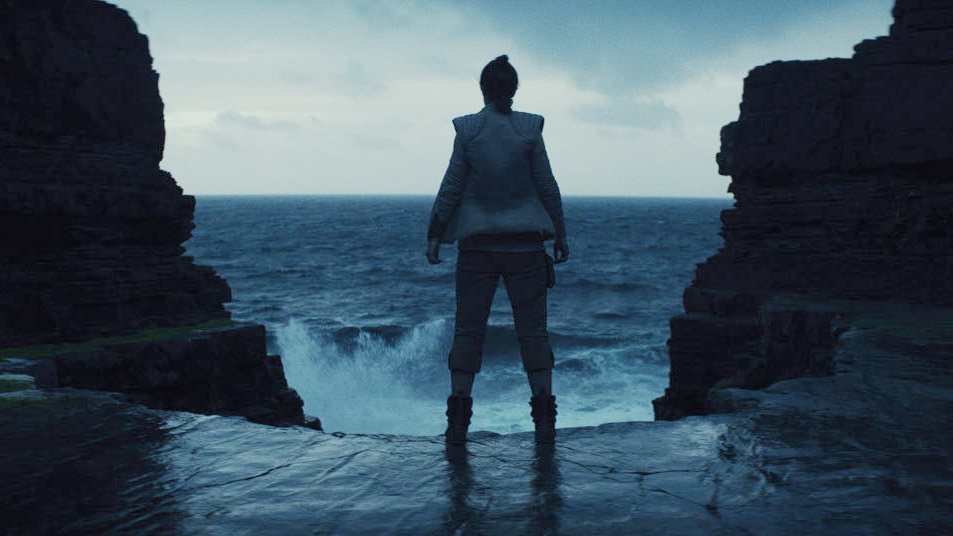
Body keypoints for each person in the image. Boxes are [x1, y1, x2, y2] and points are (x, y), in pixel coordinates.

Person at [426, 55, 569, 445]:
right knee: (534, 333)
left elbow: (451, 186)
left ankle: (458, 423)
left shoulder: (468, 130)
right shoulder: (530, 129)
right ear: (515, 89)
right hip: (526, 248)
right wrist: (560, 233)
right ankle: (544, 422)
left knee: (467, 331)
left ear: (483, 89)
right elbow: (547, 185)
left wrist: (435, 235)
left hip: (477, 248)